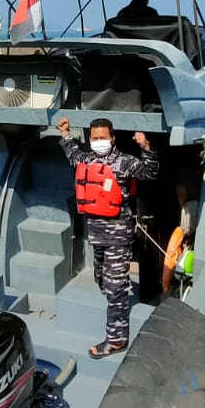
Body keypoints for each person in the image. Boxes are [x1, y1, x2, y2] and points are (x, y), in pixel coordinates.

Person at [57, 115, 158, 358]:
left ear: (112, 138)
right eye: (95, 138)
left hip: (119, 236)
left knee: (115, 286)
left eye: (103, 137)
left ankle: (116, 339)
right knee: (101, 278)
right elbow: (72, 153)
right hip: (97, 235)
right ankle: (117, 300)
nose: (99, 141)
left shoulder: (124, 162)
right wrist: (65, 134)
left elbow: (149, 173)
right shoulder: (87, 158)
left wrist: (146, 148)